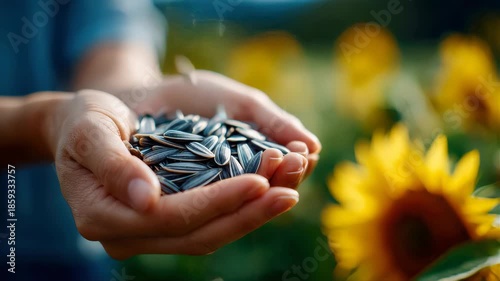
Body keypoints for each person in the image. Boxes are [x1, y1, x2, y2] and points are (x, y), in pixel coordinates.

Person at [0, 1, 321, 280]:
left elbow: (111, 43)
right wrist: (43, 123)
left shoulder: (162, 139)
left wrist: (129, 100)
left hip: (74, 254)